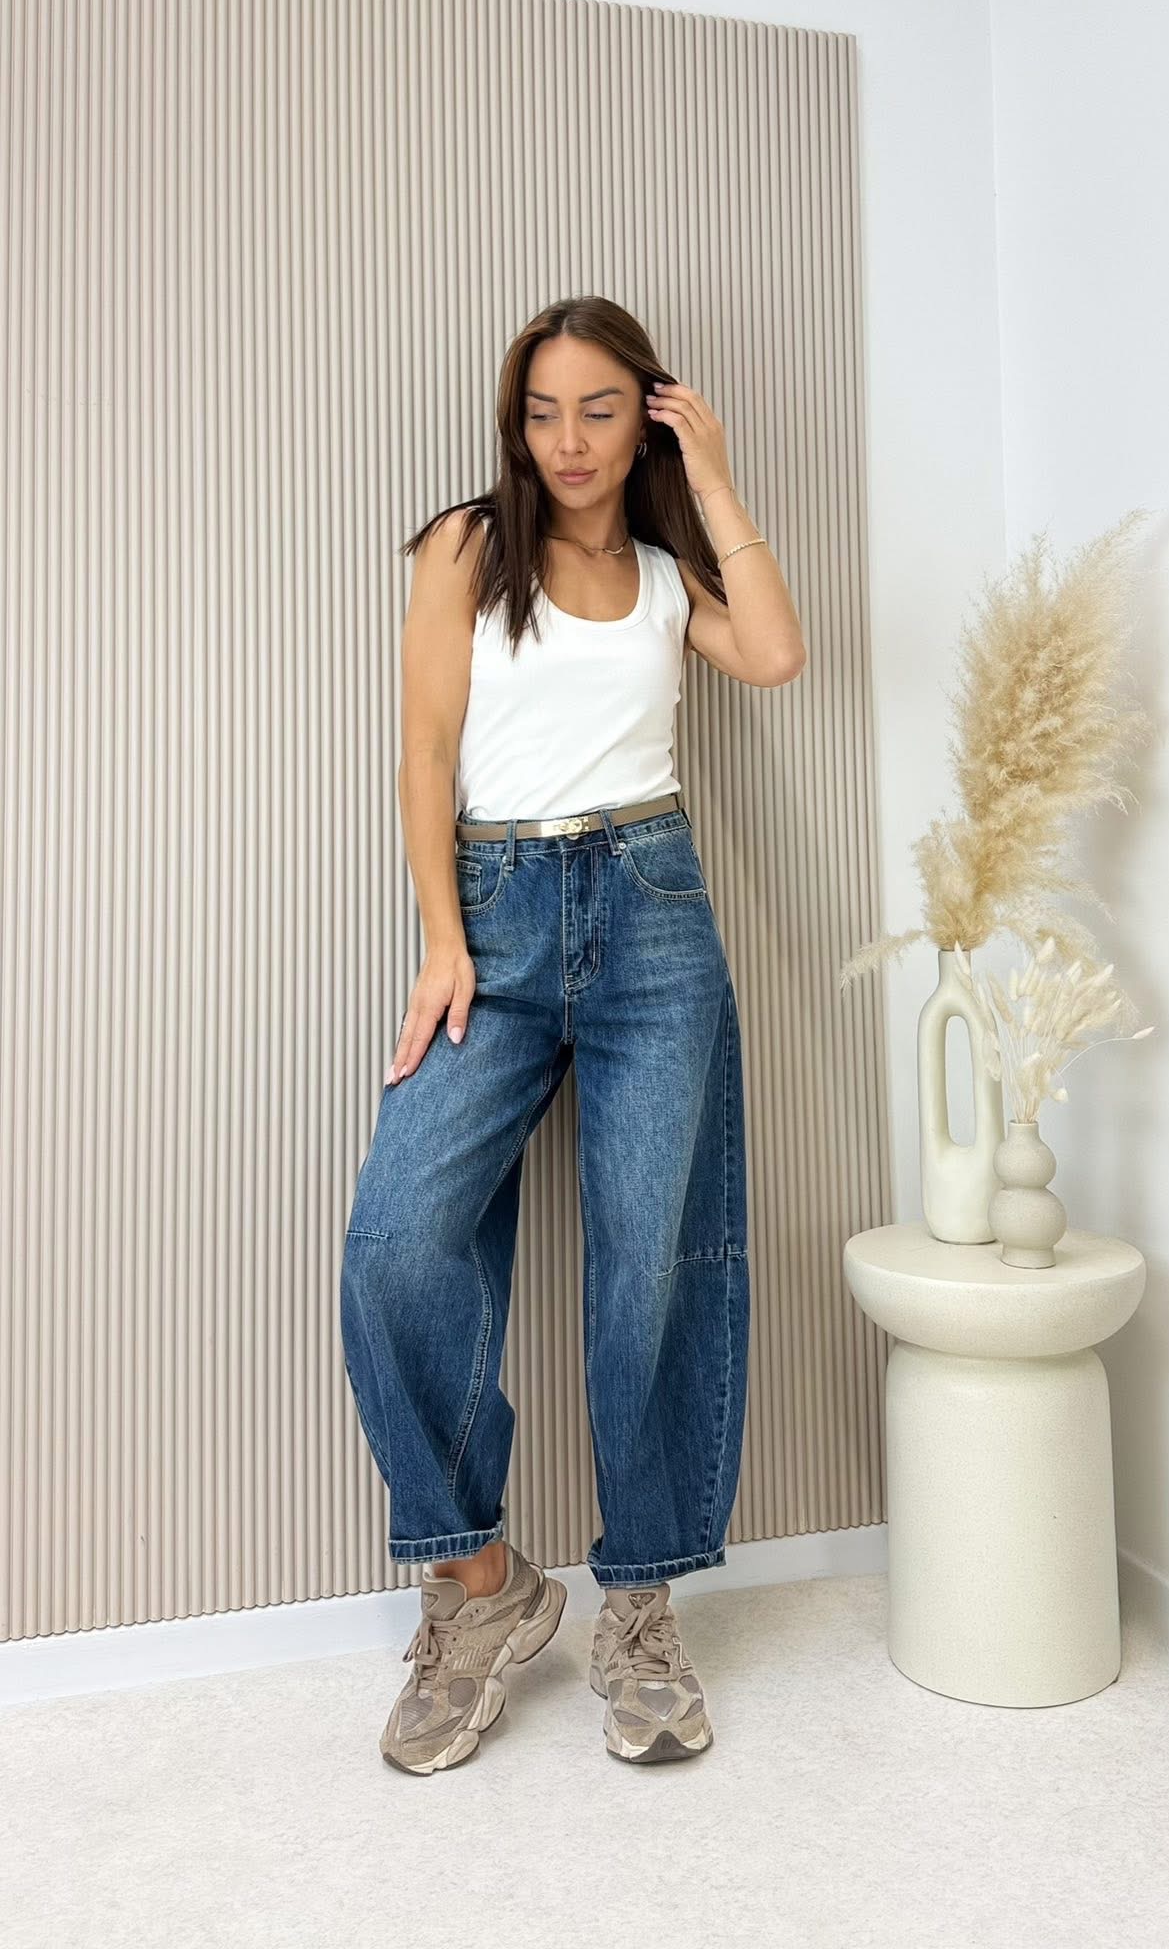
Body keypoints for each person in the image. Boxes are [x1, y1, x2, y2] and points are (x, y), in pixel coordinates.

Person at [339, 294, 807, 1774]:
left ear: (646, 414)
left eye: (600, 408)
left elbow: (776, 652)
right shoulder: (467, 549)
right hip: (496, 912)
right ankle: (482, 1584)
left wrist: (713, 474)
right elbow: (424, 751)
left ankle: (644, 1610)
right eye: (543, 411)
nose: (569, 440)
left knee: (648, 1265)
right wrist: (444, 939)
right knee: (397, 1242)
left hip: (655, 914)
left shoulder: (668, 574)